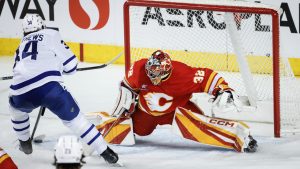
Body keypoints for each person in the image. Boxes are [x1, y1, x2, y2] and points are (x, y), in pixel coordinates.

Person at [9, 14, 118, 164]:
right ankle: (106, 152)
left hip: (20, 90)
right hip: (50, 89)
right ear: (42, 25)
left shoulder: (20, 45)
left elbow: (18, 71)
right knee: (77, 121)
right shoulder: (51, 33)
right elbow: (72, 65)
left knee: (17, 111)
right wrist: (59, 69)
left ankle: (24, 143)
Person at [106, 50, 258, 152]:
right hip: (146, 113)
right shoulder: (139, 69)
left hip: (178, 110)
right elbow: (126, 87)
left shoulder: (182, 74)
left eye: (157, 71)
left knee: (201, 126)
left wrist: (223, 88)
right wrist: (121, 111)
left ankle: (239, 136)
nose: (152, 74)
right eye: (151, 70)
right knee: (139, 130)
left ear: (166, 70)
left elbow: (207, 76)